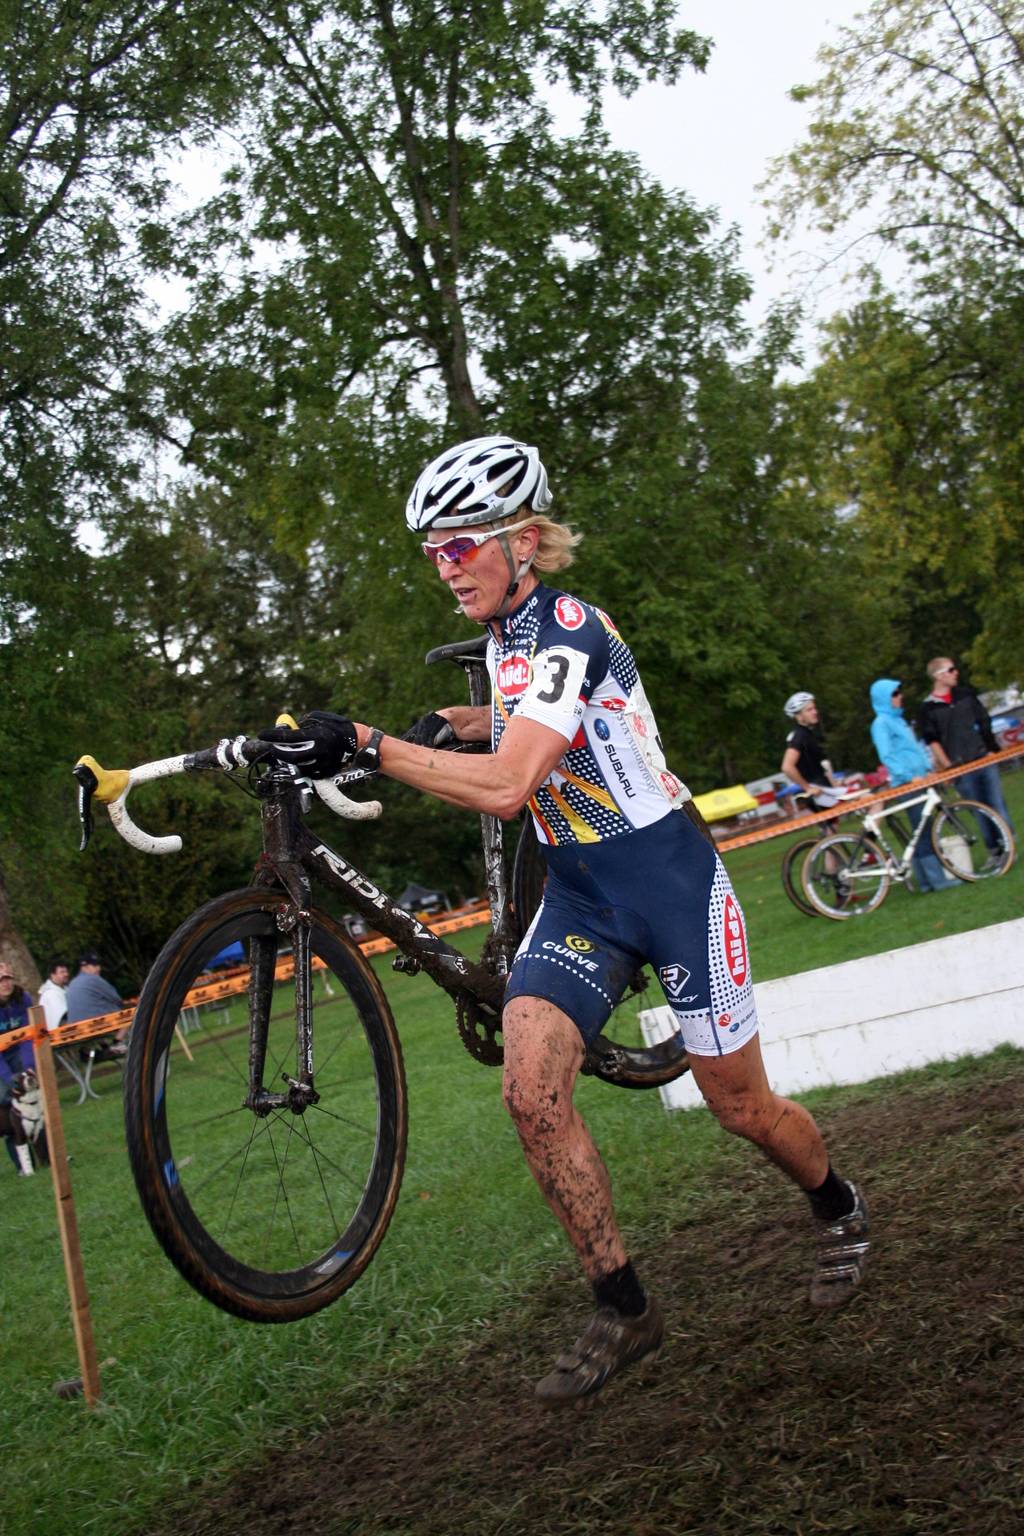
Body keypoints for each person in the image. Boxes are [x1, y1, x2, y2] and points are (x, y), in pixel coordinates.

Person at [260, 436, 870, 1406]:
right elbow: (518, 731)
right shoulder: (507, 638)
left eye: (461, 544)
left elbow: (508, 787)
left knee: (741, 1109)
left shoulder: (570, 625)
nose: (444, 564)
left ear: (527, 539)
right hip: (582, 895)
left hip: (670, 883)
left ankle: (837, 1207)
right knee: (530, 1096)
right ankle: (624, 1306)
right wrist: (443, 726)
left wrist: (371, 744)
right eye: (433, 549)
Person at [869, 678, 958, 893]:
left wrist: (927, 768)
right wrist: (908, 777)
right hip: (908, 783)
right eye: (895, 693)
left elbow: (913, 750)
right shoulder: (881, 723)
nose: (900, 696)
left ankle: (926, 882)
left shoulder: (898, 721)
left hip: (920, 779)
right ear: (884, 698)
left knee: (920, 832)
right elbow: (887, 755)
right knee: (923, 830)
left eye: (899, 692)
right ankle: (937, 880)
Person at [918, 658, 1015, 854]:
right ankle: (994, 850)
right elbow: (932, 740)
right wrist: (949, 767)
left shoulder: (965, 695)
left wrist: (991, 749)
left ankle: (1009, 846)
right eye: (951, 670)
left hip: (983, 759)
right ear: (939, 675)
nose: (956, 673)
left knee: (997, 804)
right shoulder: (927, 708)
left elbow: (984, 720)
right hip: (960, 766)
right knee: (977, 810)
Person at [0, 966, 37, 1174]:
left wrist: (28, 1067)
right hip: (0, 1060)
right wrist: (8, 1078)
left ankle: (47, 1155)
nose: (5, 983)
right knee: (7, 1106)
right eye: (0, 980)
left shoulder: (22, 999)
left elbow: (28, 1035)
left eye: (8, 978)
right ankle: (23, 1164)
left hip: (18, 1052)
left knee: (37, 1099)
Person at [781, 693, 845, 809]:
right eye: (809, 710)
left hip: (824, 786)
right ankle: (868, 828)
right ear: (799, 716)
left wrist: (833, 782)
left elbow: (819, 765)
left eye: (814, 708)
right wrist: (808, 788)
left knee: (833, 826)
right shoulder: (799, 736)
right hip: (818, 791)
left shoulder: (808, 733)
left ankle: (867, 828)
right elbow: (787, 767)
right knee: (870, 800)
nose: (815, 712)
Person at [65, 953, 129, 1057]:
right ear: (84, 967)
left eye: (98, 965)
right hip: (94, 1025)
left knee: (97, 1011)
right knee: (130, 1014)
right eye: (94, 966)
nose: (98, 968)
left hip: (75, 1029)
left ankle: (102, 1048)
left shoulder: (72, 983)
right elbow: (117, 999)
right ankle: (117, 1043)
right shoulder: (94, 979)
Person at [38, 957, 70, 1032]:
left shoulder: (65, 989)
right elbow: (62, 1018)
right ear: (53, 975)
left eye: (66, 971)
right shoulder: (50, 993)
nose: (66, 974)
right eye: (62, 972)